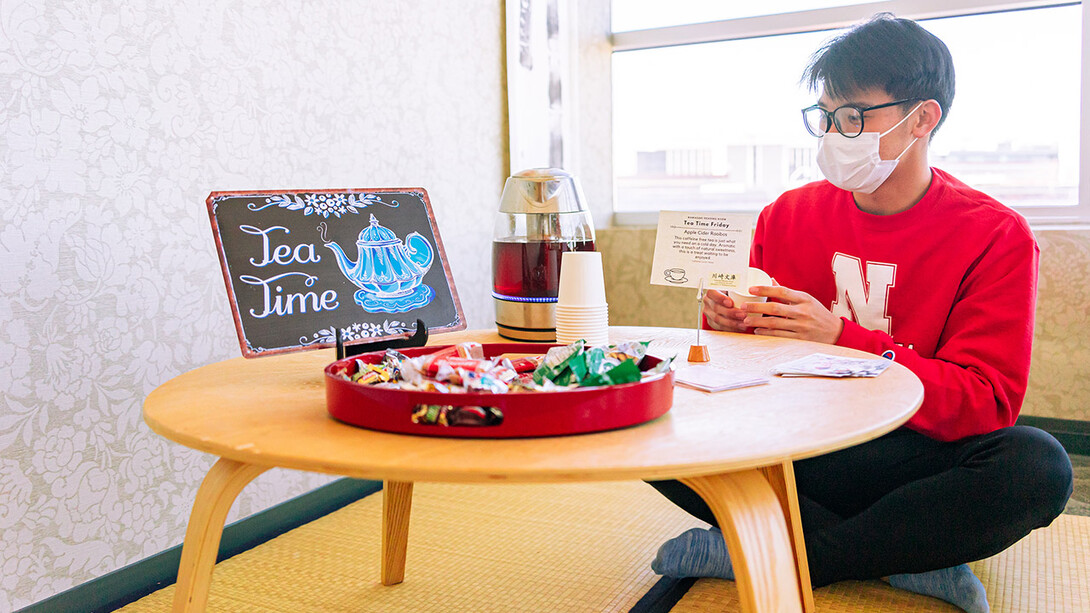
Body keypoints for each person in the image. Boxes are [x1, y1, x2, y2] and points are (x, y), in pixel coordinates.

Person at [647, 13, 1073, 613]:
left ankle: (770, 550)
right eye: (825, 117)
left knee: (1037, 466)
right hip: (804, 443)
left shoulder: (994, 234)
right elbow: (754, 368)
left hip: (915, 455)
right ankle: (910, 553)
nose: (833, 134)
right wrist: (733, 323)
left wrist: (843, 338)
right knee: (643, 407)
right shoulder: (786, 215)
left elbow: (985, 402)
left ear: (922, 118)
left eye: (853, 117)